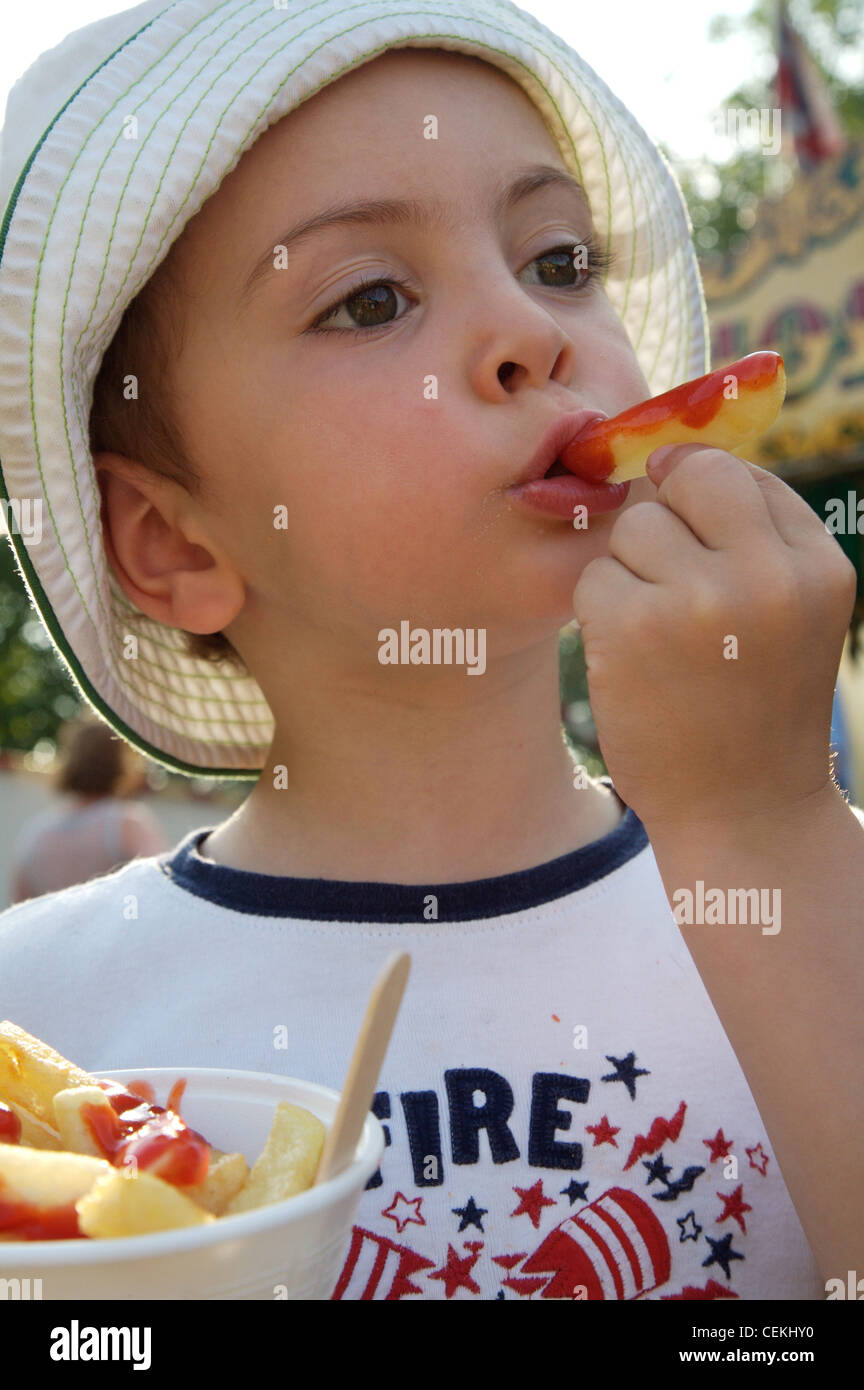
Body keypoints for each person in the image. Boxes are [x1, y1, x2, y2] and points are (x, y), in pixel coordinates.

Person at [0, 0, 862, 1300]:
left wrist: (769, 824)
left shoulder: (818, 894)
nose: (534, 331)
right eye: (372, 300)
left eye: (561, 259)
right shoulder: (36, 1015)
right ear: (172, 542)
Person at [8, 715, 167, 904]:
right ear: (123, 763)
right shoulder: (127, 825)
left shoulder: (36, 833)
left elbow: (19, 910)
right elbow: (162, 890)